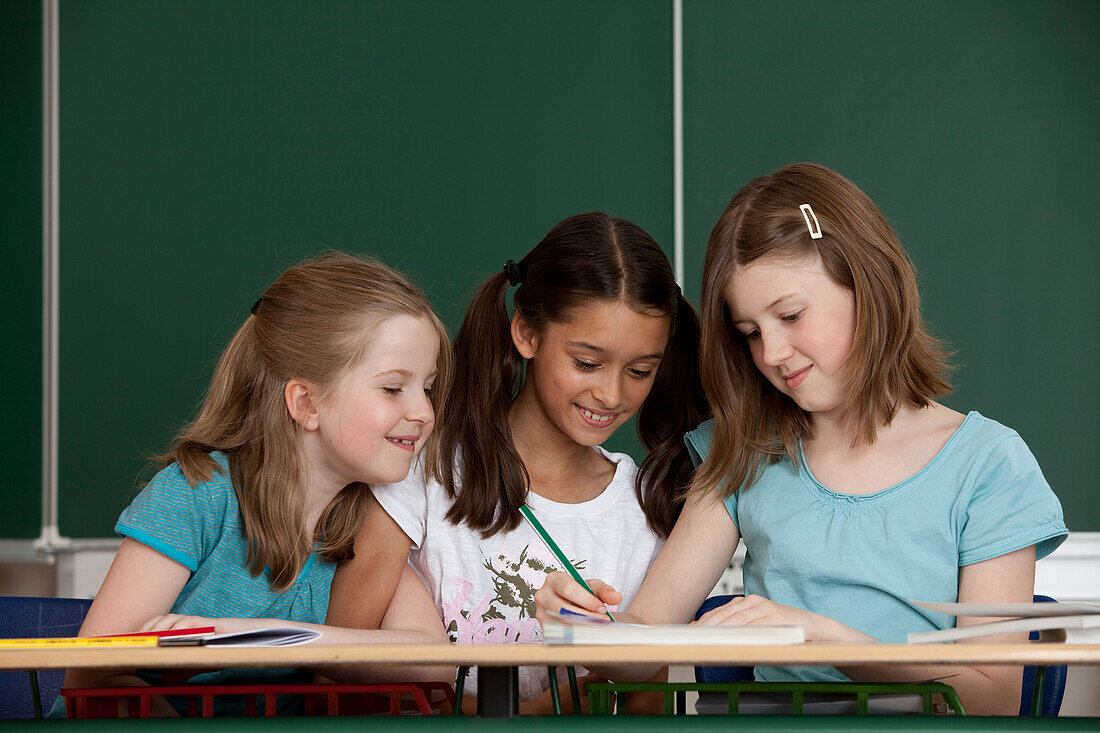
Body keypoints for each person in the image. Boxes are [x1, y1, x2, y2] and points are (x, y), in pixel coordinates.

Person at [534, 164, 1068, 716]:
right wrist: (586, 626)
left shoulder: (987, 465)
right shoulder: (743, 452)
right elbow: (645, 643)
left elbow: (992, 699)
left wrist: (822, 637)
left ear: (866, 282)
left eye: (790, 315)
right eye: (750, 334)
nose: (772, 353)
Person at [327, 212, 710, 712]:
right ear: (526, 333)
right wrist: (532, 715)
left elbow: (647, 705)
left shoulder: (644, 509)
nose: (612, 393)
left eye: (640, 371)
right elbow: (334, 661)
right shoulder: (421, 469)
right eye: (586, 363)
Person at [62, 252, 455, 714]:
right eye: (393, 388)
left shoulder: (363, 519)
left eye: (427, 388)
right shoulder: (196, 493)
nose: (424, 412)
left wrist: (271, 641)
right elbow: (94, 676)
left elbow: (434, 664)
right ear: (306, 402)